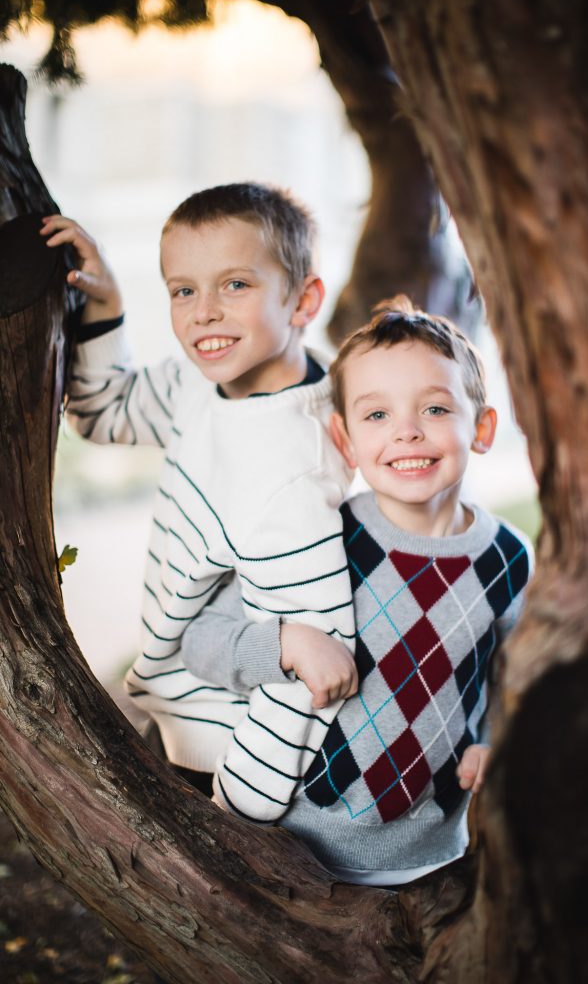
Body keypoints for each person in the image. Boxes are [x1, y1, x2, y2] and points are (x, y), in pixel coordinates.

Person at [182, 297, 534, 885]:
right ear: (343, 440)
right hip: (291, 847)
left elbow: (520, 674)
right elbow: (201, 639)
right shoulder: (316, 538)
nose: (407, 431)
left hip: (438, 853)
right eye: (377, 416)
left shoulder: (508, 558)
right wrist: (287, 644)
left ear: (482, 427)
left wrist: (498, 741)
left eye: (435, 407)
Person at [41, 183, 359, 821]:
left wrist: (243, 806)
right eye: (183, 290)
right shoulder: (202, 380)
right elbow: (107, 412)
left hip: (233, 751)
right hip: (185, 713)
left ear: (303, 301)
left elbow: (315, 660)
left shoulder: (292, 464)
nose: (204, 312)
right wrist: (107, 305)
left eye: (235, 285)